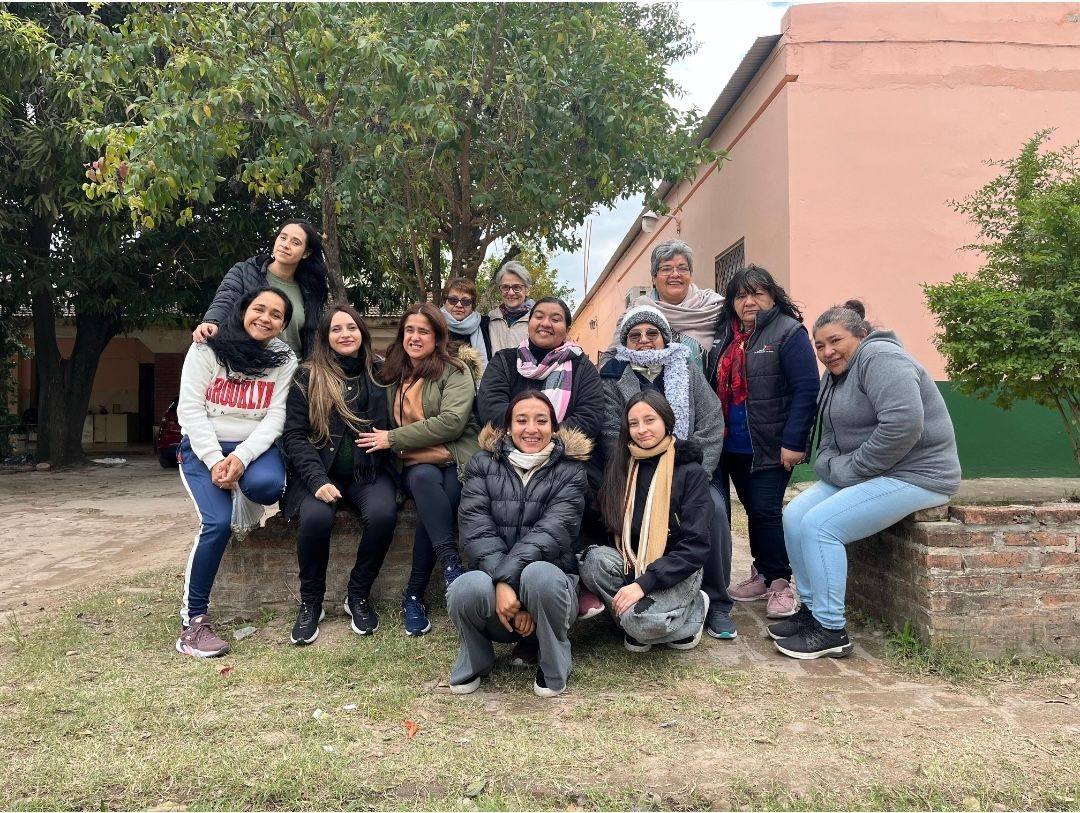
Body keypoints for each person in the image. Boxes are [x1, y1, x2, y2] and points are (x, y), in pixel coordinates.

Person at [773, 300, 961, 660]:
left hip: (918, 474)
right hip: (869, 472)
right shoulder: (835, 374)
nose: (827, 352)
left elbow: (903, 425)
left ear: (861, 334)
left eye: (835, 341)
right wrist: (831, 464)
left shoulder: (882, 359)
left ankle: (830, 630)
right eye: (820, 346)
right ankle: (811, 613)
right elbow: (829, 432)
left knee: (820, 526)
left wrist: (850, 469)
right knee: (795, 515)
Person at [175, 287, 298, 658]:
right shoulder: (207, 347)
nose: (265, 318)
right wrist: (215, 461)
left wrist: (241, 459)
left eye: (276, 314)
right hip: (203, 450)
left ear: (283, 325)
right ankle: (193, 622)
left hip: (252, 450)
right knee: (215, 524)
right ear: (244, 311)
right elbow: (190, 409)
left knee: (269, 486)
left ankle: (242, 503)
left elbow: (277, 415)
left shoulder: (284, 358)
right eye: (259, 309)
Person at [448, 391, 591, 698]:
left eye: (541, 421)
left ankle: (554, 663)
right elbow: (476, 531)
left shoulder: (572, 471)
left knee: (539, 574)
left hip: (549, 597)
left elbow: (553, 533)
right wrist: (503, 590)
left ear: (553, 428)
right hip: (498, 609)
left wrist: (508, 585)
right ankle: (475, 659)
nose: (531, 429)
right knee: (466, 586)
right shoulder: (482, 465)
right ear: (508, 427)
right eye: (521, 420)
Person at [358, 304, 480, 637]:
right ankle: (450, 564)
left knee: (438, 497)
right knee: (425, 480)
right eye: (409, 330)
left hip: (452, 455)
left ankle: (414, 594)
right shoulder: (390, 373)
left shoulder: (454, 369)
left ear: (438, 336)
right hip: (412, 461)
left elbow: (452, 422)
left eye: (423, 331)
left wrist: (393, 438)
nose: (415, 337)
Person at [704, 266, 819, 619]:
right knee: (754, 512)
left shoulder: (788, 332)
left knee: (767, 511)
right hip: (733, 446)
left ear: (772, 296)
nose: (749, 301)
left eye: (757, 293)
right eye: (741, 295)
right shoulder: (726, 336)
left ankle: (781, 584)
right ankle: (763, 572)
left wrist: (794, 441)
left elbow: (806, 389)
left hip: (771, 445)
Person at [280, 304, 398, 643]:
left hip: (369, 471)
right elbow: (294, 435)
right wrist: (317, 481)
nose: (345, 334)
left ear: (361, 332)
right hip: (319, 474)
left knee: (383, 513)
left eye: (351, 327)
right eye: (336, 329)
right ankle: (311, 602)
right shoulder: (307, 375)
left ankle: (358, 594)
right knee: (316, 520)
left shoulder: (379, 372)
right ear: (326, 337)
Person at [582, 390, 713, 652]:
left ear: (666, 421)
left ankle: (692, 610)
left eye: (649, 420)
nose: (641, 430)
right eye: (633, 423)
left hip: (678, 569)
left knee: (638, 624)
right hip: (632, 561)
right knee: (592, 561)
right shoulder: (622, 466)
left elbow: (696, 546)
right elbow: (605, 523)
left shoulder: (690, 471)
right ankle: (643, 617)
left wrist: (644, 584)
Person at [192, 218, 329, 359]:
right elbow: (226, 297)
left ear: (306, 253)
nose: (286, 245)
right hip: (249, 366)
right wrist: (212, 321)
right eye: (283, 238)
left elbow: (313, 335)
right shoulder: (245, 271)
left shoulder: (310, 289)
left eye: (295, 242)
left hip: (293, 372)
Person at [477, 297, 604, 443]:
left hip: (565, 456)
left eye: (555, 319)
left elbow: (590, 416)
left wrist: (544, 439)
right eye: (538, 317)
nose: (545, 323)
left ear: (567, 330)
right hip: (506, 452)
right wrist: (525, 437)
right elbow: (490, 407)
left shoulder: (582, 367)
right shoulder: (504, 361)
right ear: (529, 323)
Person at [621, 240, 725, 370]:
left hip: (708, 389)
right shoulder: (636, 310)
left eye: (682, 268)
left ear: (690, 274)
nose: (675, 274)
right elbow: (614, 355)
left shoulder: (713, 306)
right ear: (654, 277)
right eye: (666, 269)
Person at [441, 276, 492, 369]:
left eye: (465, 301)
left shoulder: (486, 327)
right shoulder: (433, 325)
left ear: (472, 305)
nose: (459, 305)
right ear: (445, 302)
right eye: (453, 300)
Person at [485, 261, 534, 353]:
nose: (511, 293)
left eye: (517, 287)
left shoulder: (537, 320)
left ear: (527, 290)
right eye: (505, 287)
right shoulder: (490, 319)